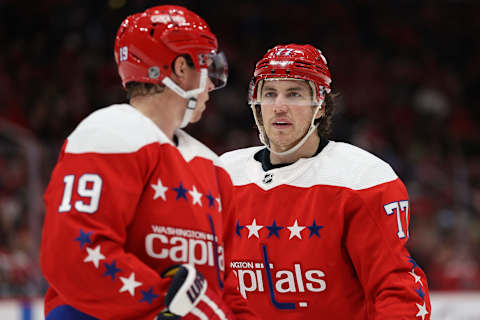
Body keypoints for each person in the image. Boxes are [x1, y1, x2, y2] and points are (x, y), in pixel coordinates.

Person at [40, 5, 257, 320]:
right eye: (207, 66)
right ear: (181, 67)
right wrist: (170, 308)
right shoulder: (107, 135)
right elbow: (75, 255)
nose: (211, 84)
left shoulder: (212, 166)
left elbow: (224, 288)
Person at [220, 44, 432, 319]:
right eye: (270, 93)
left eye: (294, 94)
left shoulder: (362, 178)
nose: (279, 106)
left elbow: (396, 290)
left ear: (320, 106)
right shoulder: (222, 172)